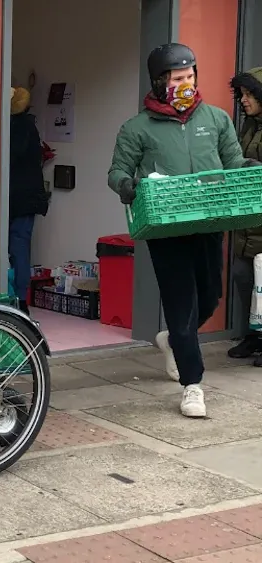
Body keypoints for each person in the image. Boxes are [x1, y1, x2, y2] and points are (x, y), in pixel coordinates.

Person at [108, 43, 255, 418]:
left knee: (209, 298)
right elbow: (117, 172)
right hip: (165, 227)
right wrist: (128, 185)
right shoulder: (137, 128)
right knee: (181, 304)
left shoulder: (217, 119)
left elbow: (233, 162)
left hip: (209, 221)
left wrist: (248, 167)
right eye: (177, 78)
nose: (185, 83)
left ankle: (172, 340)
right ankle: (193, 384)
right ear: (159, 82)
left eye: (189, 76)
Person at [227, 66, 262, 363]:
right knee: (243, 276)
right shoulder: (248, 126)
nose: (244, 100)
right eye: (241, 94)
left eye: (249, 94)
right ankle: (253, 337)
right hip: (247, 217)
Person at [8, 86, 49, 314]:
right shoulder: (29, 126)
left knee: (13, 249)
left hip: (14, 198)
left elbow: (10, 157)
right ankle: (21, 301)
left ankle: (16, 299)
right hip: (28, 198)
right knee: (20, 248)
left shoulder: (13, 128)